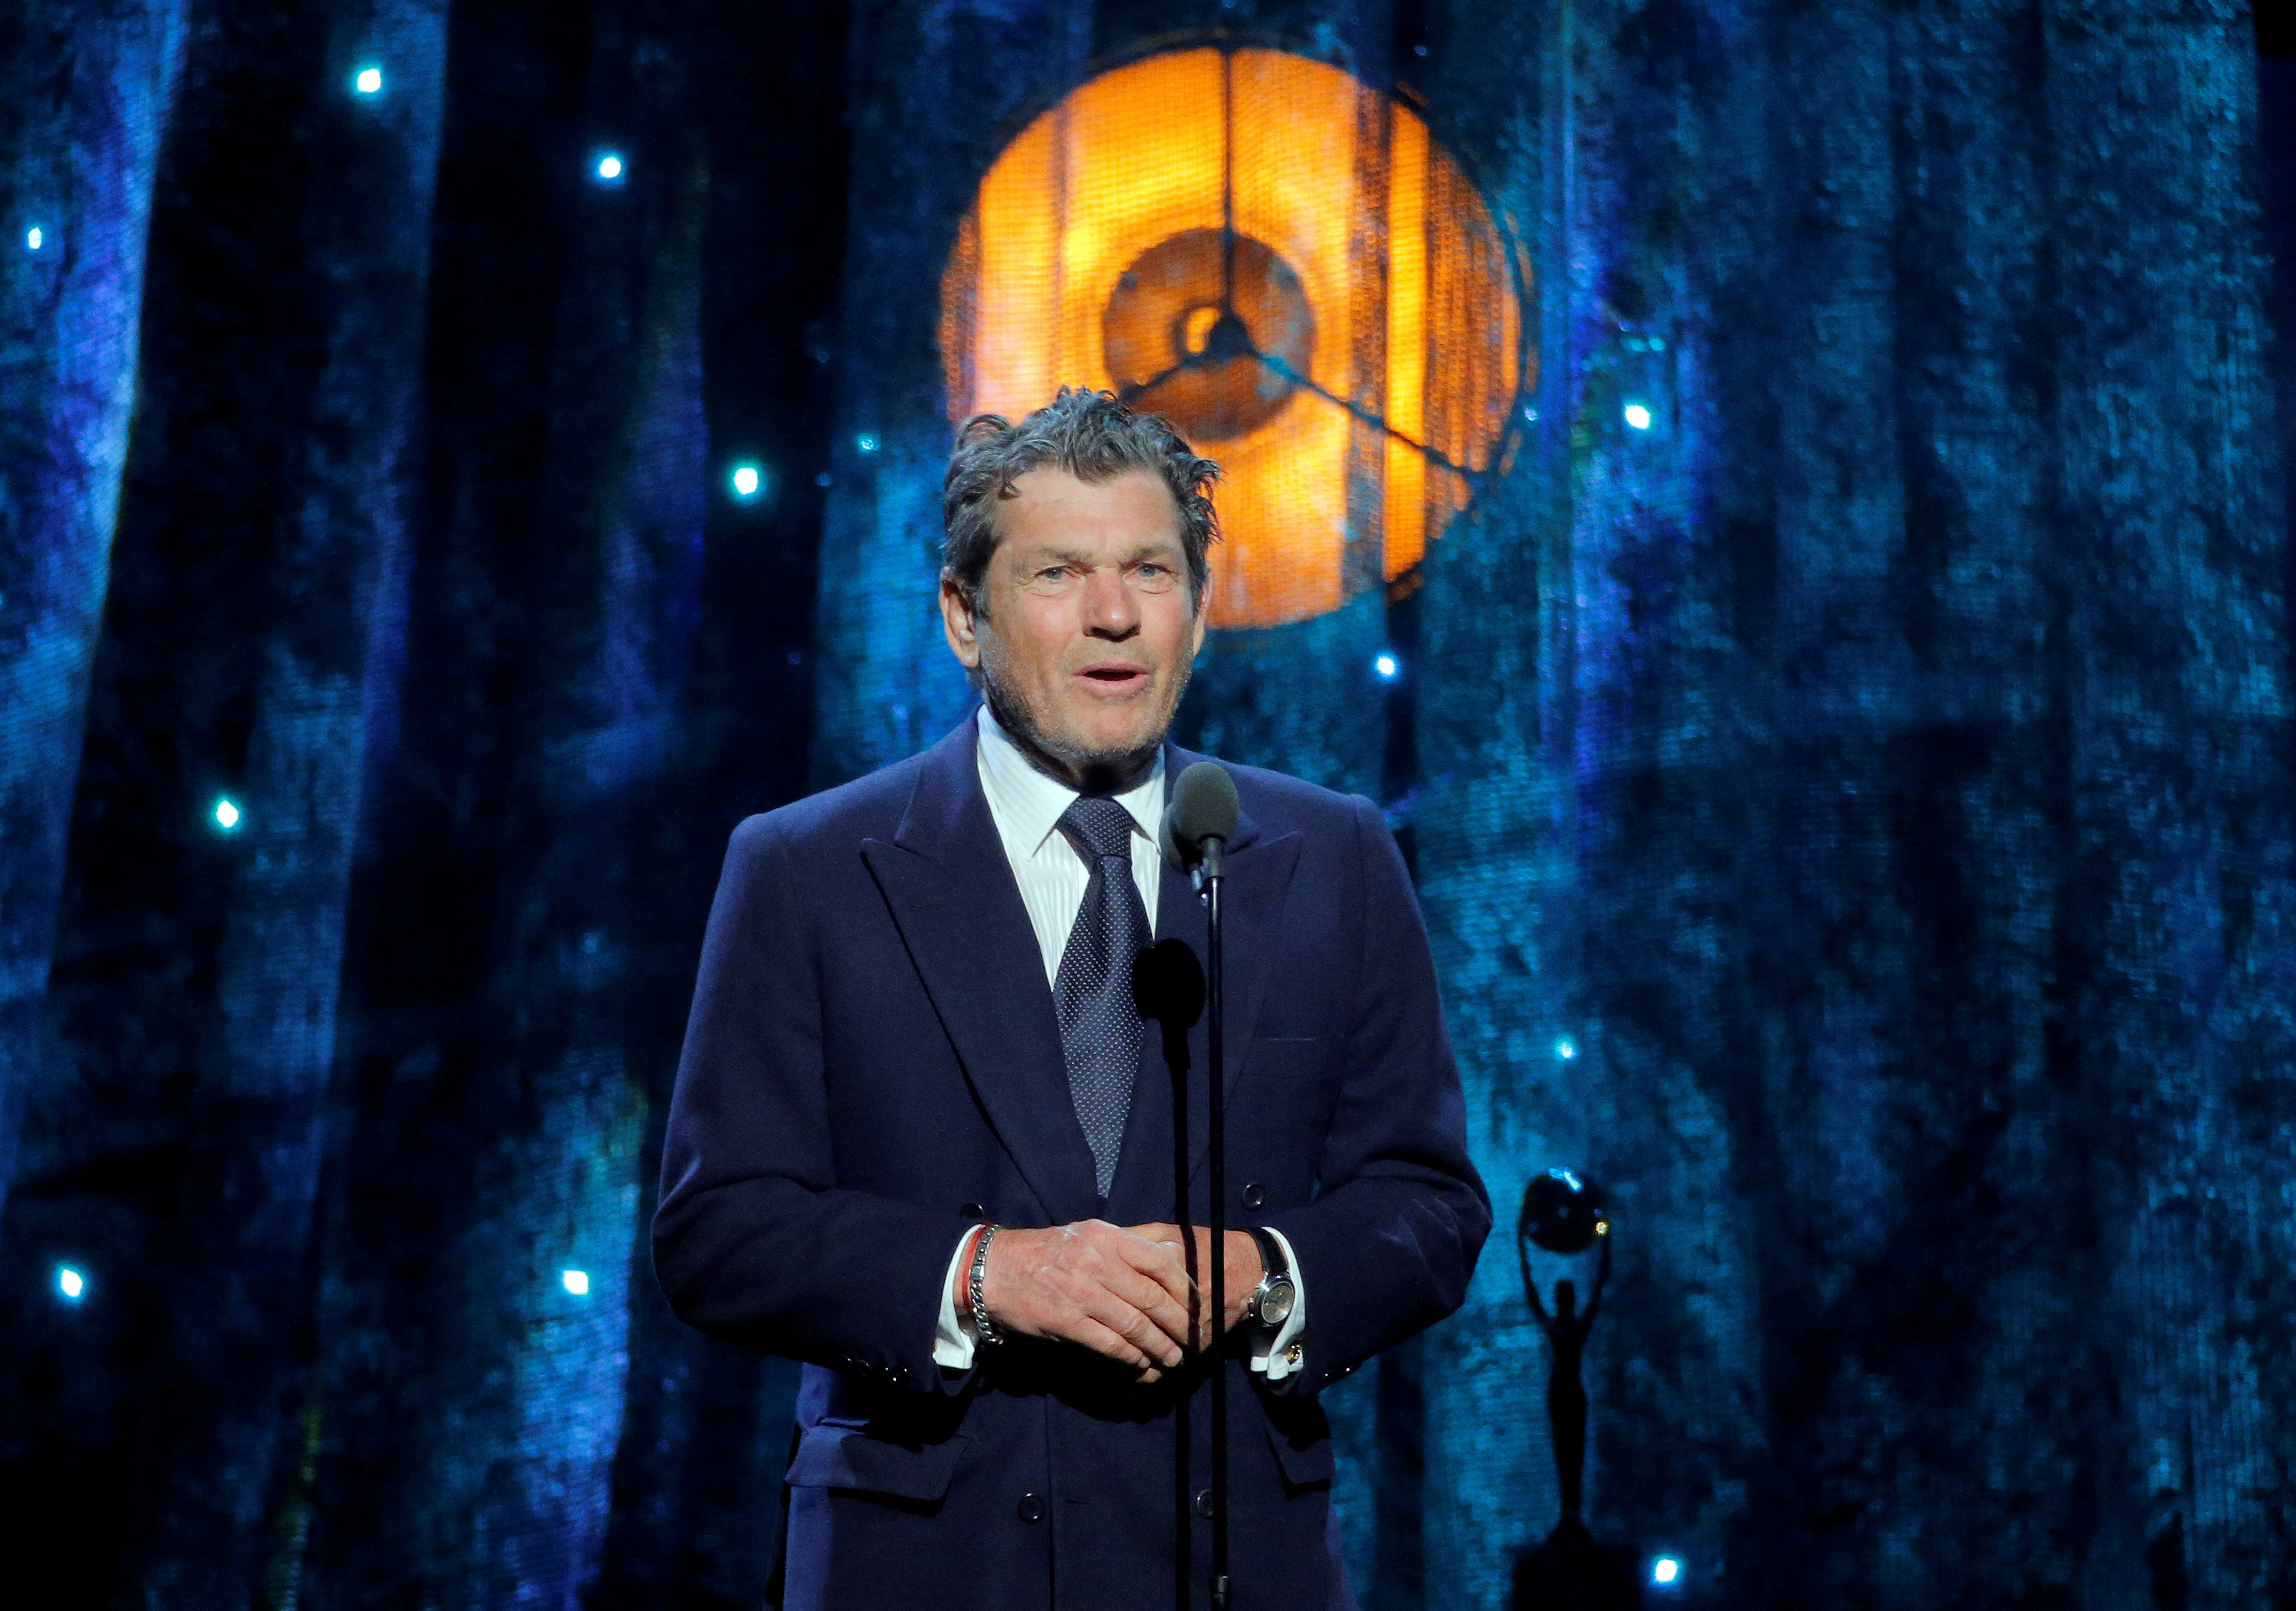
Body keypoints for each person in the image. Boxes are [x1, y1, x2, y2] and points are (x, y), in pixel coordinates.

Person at [653, 387, 1489, 1610]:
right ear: (963, 616)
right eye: (1057, 574)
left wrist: (1267, 1271)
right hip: (933, 1566)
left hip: (1229, 1562)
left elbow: (1428, 1203)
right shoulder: (807, 868)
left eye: (1150, 570)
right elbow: (717, 1230)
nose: (1113, 616)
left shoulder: (1333, 854)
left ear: (1200, 612)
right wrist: (984, 1273)